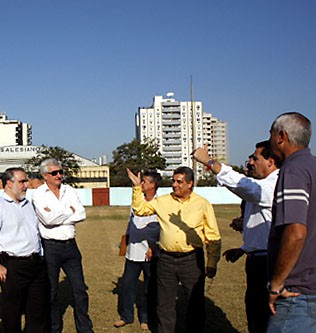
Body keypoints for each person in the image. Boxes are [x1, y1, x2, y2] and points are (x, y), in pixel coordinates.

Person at [192, 141, 280, 333]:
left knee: (266, 318)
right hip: (258, 260)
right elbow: (266, 226)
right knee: (256, 315)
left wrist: (209, 162)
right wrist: (244, 248)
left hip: (268, 264)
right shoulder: (264, 186)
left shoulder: (274, 184)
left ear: (271, 162)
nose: (250, 162)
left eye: (255, 158)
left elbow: (245, 186)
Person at [127, 166, 221, 333]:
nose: (174, 185)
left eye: (179, 181)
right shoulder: (163, 201)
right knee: (164, 305)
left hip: (192, 260)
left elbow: (213, 236)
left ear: (190, 184)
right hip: (166, 261)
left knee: (195, 304)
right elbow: (140, 210)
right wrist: (136, 187)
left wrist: (212, 262)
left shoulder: (202, 204)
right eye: (173, 180)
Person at [0, 167, 49, 333]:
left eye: (26, 181)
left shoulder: (28, 205)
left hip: (36, 264)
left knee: (38, 309)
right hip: (12, 266)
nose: (26, 185)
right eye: (22, 181)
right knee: (12, 310)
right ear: (9, 184)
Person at [266, 112, 315, 332]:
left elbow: (296, 232)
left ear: (281, 136)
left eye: (271, 134)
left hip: (297, 293)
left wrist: (276, 284)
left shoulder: (293, 170)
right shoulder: (311, 166)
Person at [32, 158, 94, 333]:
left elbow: (81, 213)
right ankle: (54, 328)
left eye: (60, 172)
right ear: (45, 175)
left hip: (71, 246)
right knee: (51, 292)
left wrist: (59, 214)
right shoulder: (38, 194)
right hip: (50, 247)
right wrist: (69, 211)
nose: (59, 175)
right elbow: (47, 220)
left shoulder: (69, 190)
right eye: (54, 173)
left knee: (80, 290)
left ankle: (85, 329)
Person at [114, 170, 161, 331]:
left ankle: (146, 318)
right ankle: (126, 316)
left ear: (153, 185)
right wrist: (125, 242)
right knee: (127, 286)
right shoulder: (136, 201)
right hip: (132, 252)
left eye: (145, 182)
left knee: (149, 288)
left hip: (149, 253)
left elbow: (157, 229)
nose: (142, 184)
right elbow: (131, 222)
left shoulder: (160, 203)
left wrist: (152, 246)